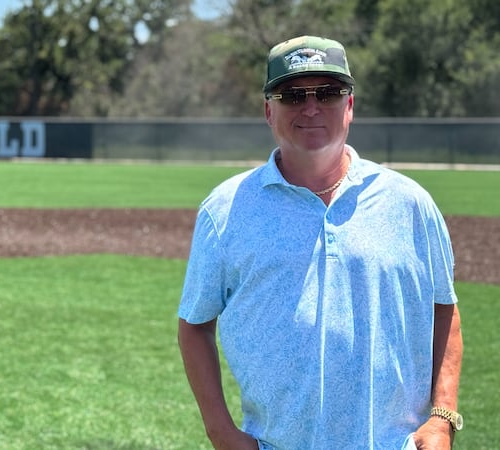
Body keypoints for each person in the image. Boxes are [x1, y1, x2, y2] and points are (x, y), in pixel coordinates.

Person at [177, 35, 463, 450]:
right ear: (267, 110)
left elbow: (444, 307)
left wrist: (441, 418)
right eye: (292, 95)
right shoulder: (224, 210)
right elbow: (194, 325)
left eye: (328, 93)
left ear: (349, 105)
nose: (311, 107)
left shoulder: (410, 203)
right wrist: (221, 432)